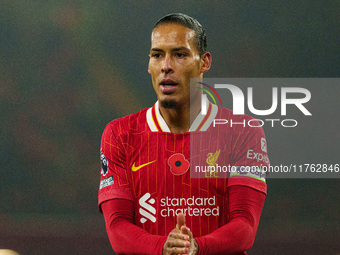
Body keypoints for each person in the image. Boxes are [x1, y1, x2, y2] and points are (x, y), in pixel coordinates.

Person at [98, 13, 269, 255]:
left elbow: (245, 226)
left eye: (179, 54)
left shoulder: (242, 131)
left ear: (204, 62)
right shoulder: (120, 134)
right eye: (157, 55)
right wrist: (162, 248)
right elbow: (117, 227)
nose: (166, 66)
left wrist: (198, 247)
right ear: (149, 64)